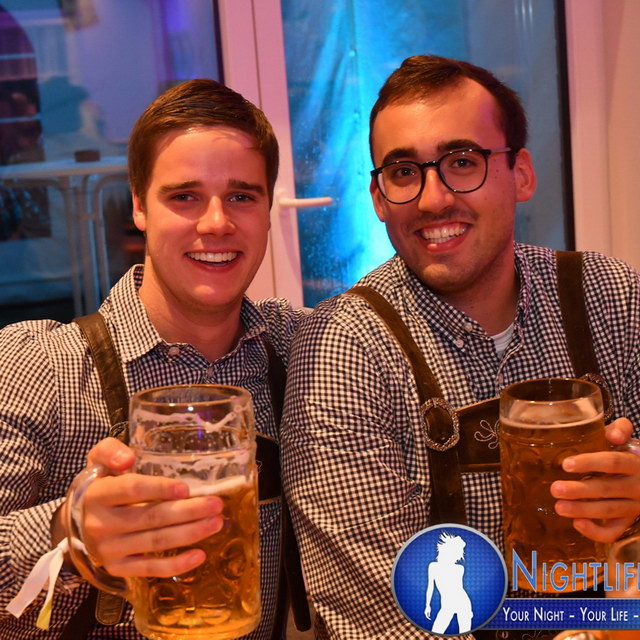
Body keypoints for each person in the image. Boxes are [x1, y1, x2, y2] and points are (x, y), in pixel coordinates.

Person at [281, 54, 640, 639]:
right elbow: (385, 617)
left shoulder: (611, 296)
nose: (432, 199)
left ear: (521, 174)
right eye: (404, 172)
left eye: (463, 162)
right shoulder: (345, 348)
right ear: (378, 198)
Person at [0, 79, 308, 639]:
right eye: (184, 196)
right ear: (139, 205)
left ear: (269, 208)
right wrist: (68, 530)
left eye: (242, 196)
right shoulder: (42, 367)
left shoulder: (303, 350)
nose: (216, 223)